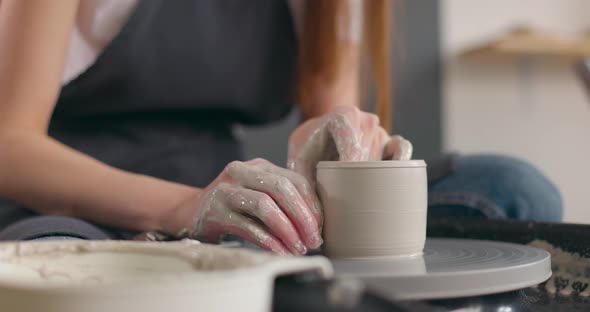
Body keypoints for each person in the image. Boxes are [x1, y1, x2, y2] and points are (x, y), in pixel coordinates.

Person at [0, 0, 562, 255]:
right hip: (81, 203)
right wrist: (184, 208)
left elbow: (330, 114)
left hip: (233, 193)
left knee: (514, 193)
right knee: (52, 263)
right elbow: (11, 145)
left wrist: (348, 140)